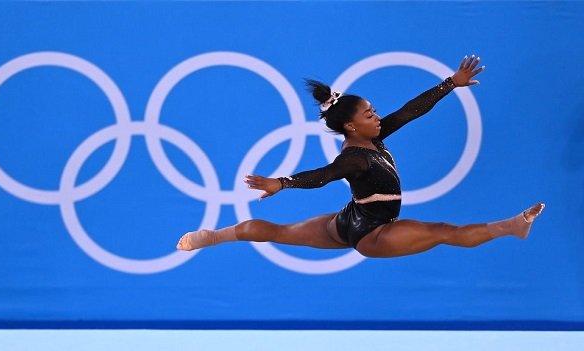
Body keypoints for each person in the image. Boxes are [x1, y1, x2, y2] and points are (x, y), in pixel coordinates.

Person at [176, 54, 545, 258]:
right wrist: (283, 182)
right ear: (351, 127)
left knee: (276, 230)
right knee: (444, 233)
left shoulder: (375, 137)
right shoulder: (355, 156)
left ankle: (209, 237)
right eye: (369, 114)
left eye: (373, 111)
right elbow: (324, 175)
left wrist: (450, 83)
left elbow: (409, 111)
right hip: (372, 232)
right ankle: (512, 226)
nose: (377, 117)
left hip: (347, 220)